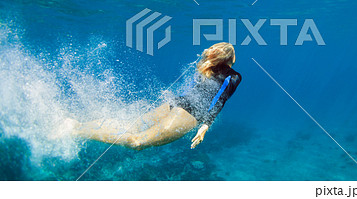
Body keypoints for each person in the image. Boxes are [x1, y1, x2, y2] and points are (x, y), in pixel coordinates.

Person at [72, 42, 242, 150]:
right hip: (190, 114)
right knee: (136, 142)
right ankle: (76, 131)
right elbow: (220, 100)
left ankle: (78, 125)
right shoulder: (233, 76)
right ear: (231, 58)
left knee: (129, 128)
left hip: (175, 103)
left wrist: (173, 102)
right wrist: (205, 126)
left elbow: (190, 91)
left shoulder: (205, 68)